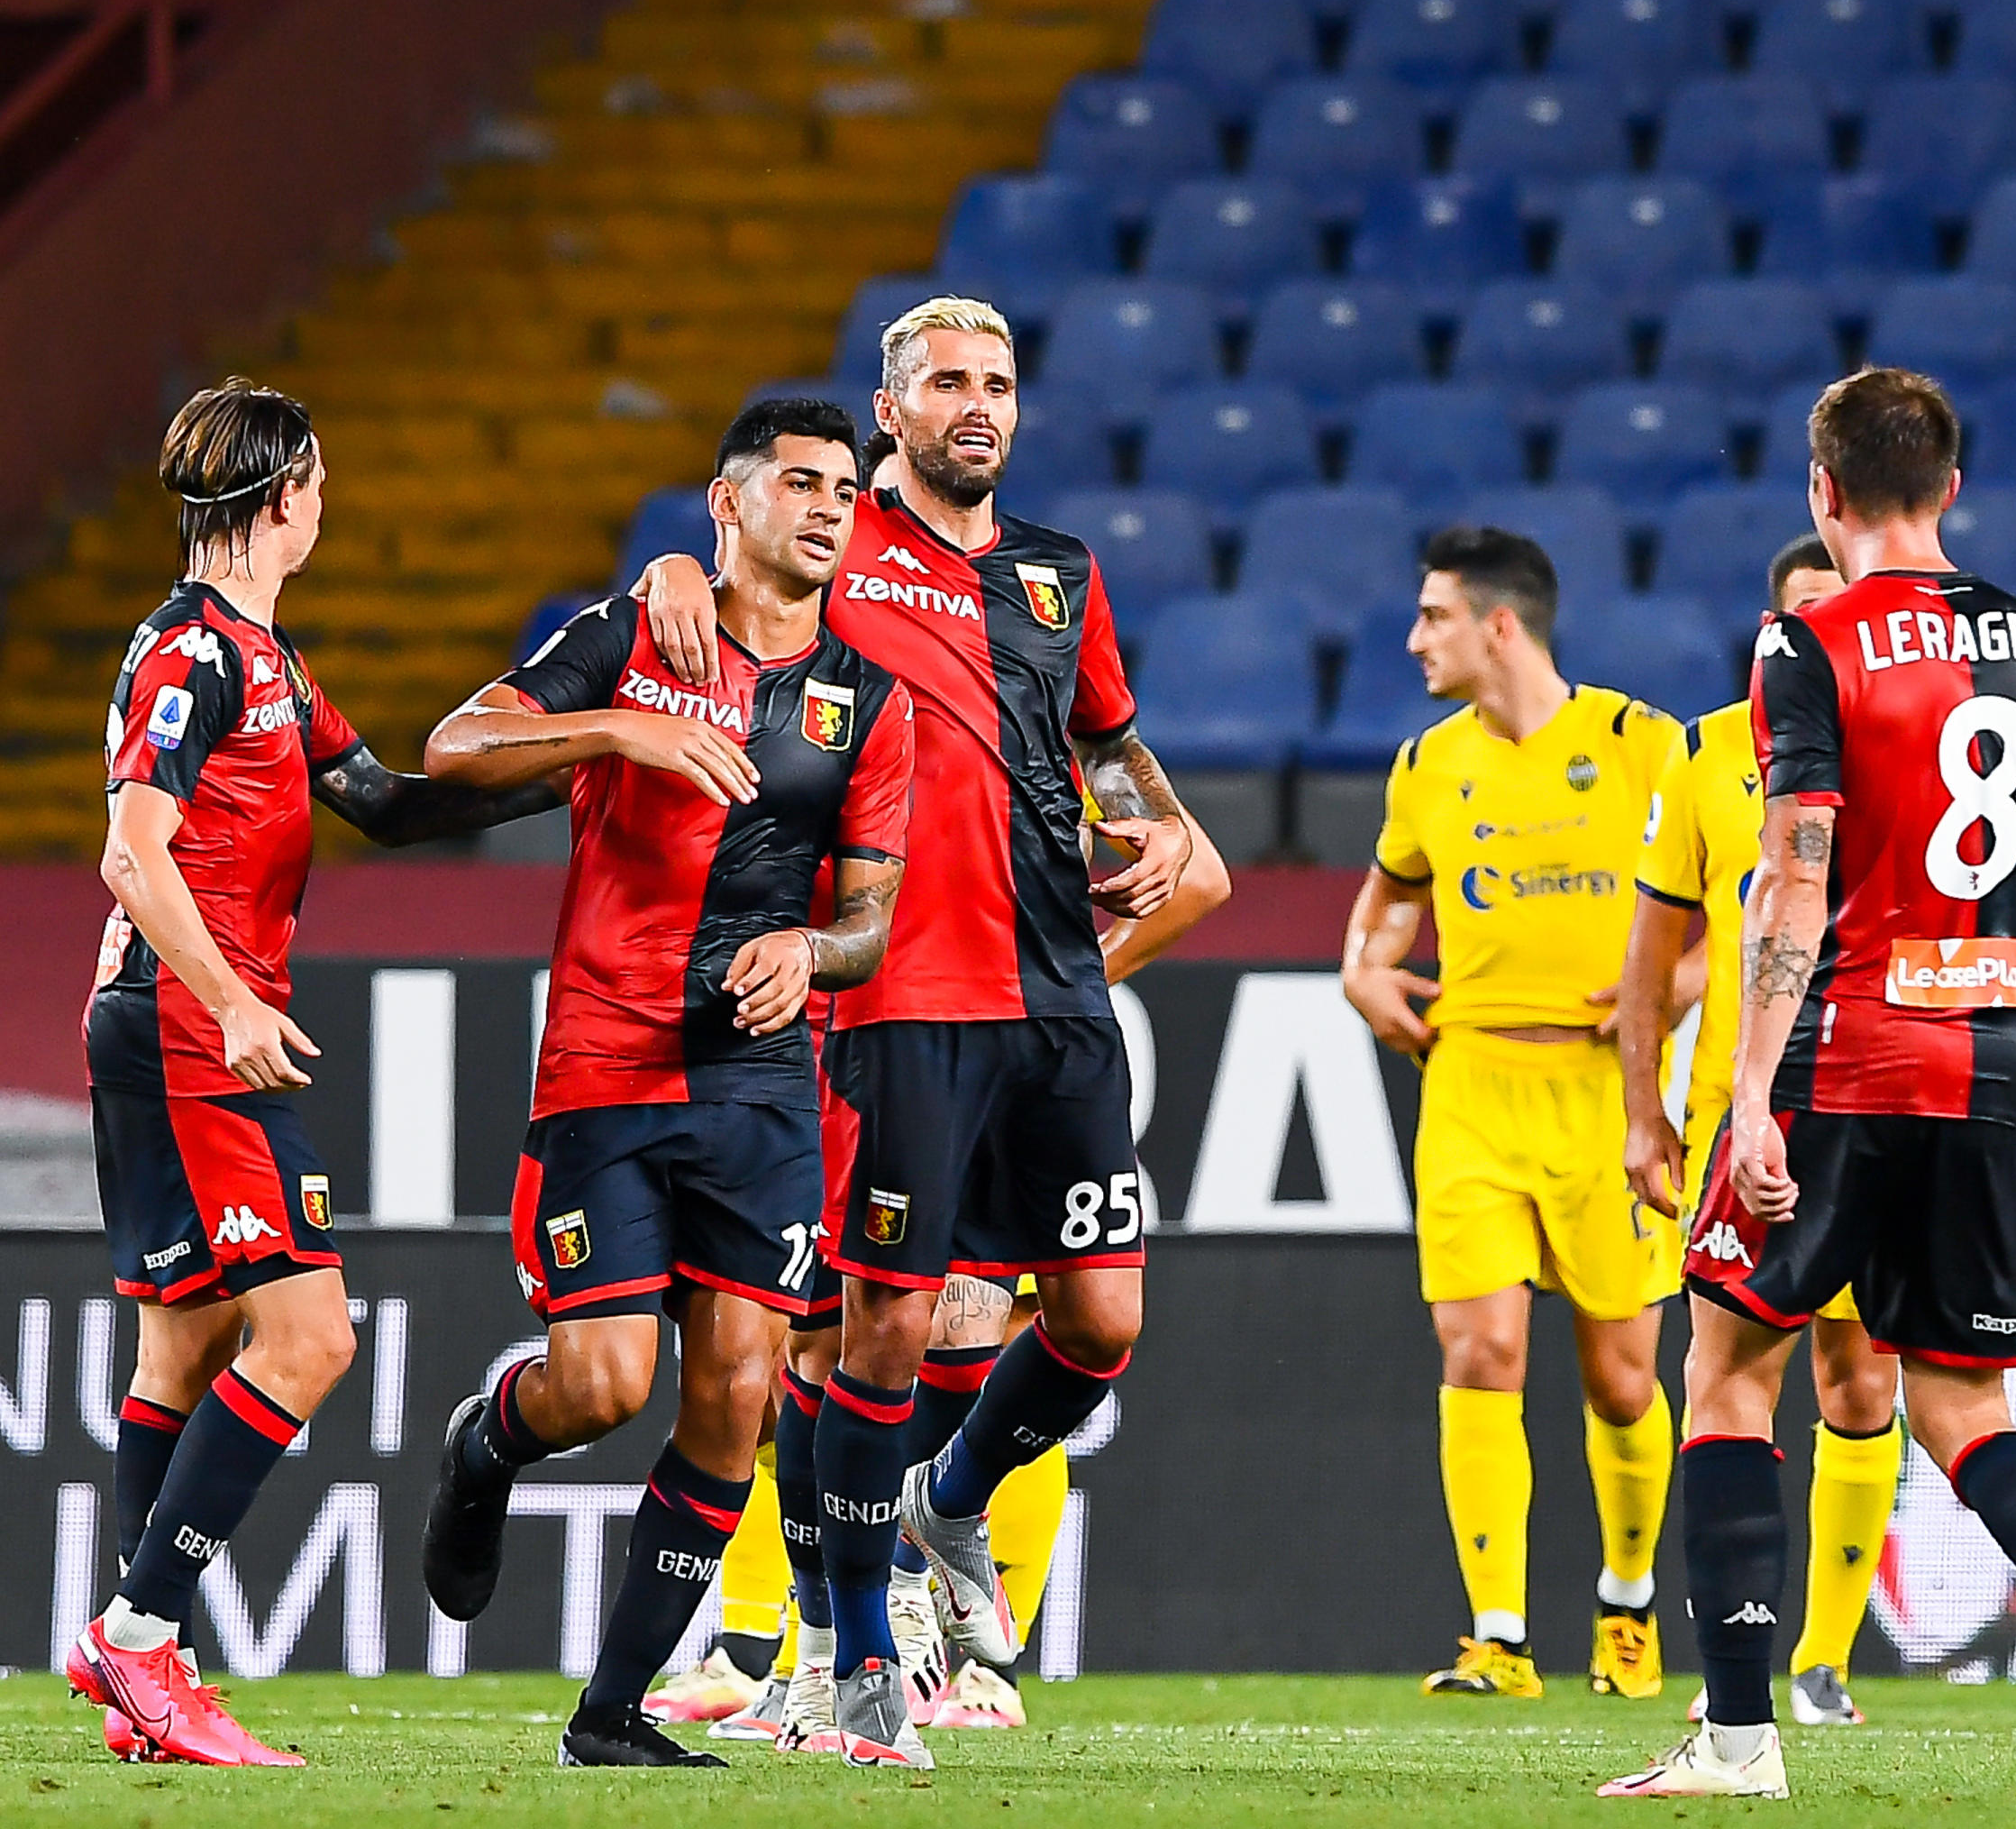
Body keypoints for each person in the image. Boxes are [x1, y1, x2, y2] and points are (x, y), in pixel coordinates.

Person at [631, 297, 1198, 1763]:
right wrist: (682, 564)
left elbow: (1135, 789)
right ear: (891, 409)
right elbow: (729, 570)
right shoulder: (839, 549)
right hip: (891, 1003)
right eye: (947, 382)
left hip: (1057, 1002)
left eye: (1000, 383)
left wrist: (1137, 847)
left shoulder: (1061, 578)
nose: (979, 406)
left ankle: (951, 1504)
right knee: (865, 1334)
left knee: (1099, 1322)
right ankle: (853, 1660)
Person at [1601, 368, 2016, 1805]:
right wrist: (1960, 949)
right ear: (1953, 489)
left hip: (1843, 1052)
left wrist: (1744, 1086)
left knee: (1727, 1377)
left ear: (1823, 495)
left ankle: (1737, 1741)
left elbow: (1795, 874)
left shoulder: (1808, 639)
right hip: (1989, 1055)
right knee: (1966, 1409)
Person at [415, 398, 917, 1768]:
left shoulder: (868, 704)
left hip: (760, 1085)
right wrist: (620, 734)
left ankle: (610, 1717)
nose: (827, 508)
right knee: (599, 1383)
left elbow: (872, 918)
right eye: (800, 482)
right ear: (727, 501)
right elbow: (455, 750)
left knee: (738, 1388)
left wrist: (812, 951)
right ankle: (485, 1442)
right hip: (605, 1066)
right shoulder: (630, 640)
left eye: (845, 492)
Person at [70, 378, 556, 1766]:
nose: (324, 503)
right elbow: (131, 851)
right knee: (312, 1335)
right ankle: (142, 1638)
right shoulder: (193, 655)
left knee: (188, 1341)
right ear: (284, 496)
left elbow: (391, 805)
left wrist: (583, 768)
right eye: (318, 482)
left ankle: (140, 1674)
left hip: (165, 1021)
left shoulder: (265, 662)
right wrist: (225, 1000)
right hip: (187, 1025)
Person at [1339, 526, 1683, 1702]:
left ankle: (1627, 1609)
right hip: (1474, 1084)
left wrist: (1665, 993)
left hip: (1607, 1098)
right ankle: (1497, 1637)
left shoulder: (1643, 745)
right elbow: (1383, 911)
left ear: (1498, 624)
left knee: (1623, 1381)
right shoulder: (1426, 765)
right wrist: (1363, 974)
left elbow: (1725, 918)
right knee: (1478, 1349)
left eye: (1432, 616)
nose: (1412, 638)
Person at [1619, 534, 1902, 1731]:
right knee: (1732, 1369)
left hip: (1877, 1097)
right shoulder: (1705, 756)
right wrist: (1643, 1109)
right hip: (1748, 1112)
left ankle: (1824, 1664)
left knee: (1862, 1372)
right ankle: (1733, 1657)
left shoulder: (1910, 750)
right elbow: (1652, 956)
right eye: (1803, 617)